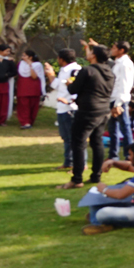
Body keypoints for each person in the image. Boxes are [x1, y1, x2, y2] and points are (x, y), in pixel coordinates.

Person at [57, 45, 114, 189]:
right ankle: (96, 176)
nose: (87, 53)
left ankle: (77, 179)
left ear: (94, 55)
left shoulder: (87, 70)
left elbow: (73, 89)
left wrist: (70, 83)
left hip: (87, 111)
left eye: (90, 51)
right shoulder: (109, 71)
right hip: (103, 110)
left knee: (78, 143)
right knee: (97, 142)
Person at [84, 39, 134, 160]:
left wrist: (118, 103)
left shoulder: (125, 63)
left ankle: (129, 155)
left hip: (119, 100)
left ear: (121, 50)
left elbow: (125, 84)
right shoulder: (118, 62)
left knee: (125, 127)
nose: (112, 50)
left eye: (114, 48)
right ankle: (113, 155)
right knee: (113, 129)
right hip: (112, 98)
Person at [44, 49, 81, 171]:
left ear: (62, 59)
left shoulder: (75, 70)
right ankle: (68, 161)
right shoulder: (64, 70)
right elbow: (56, 85)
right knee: (66, 137)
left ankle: (78, 164)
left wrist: (71, 102)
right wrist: (50, 74)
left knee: (74, 138)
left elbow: (78, 89)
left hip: (70, 108)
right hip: (61, 107)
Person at [15, 50, 45, 130]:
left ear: (30, 57)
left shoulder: (37, 65)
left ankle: (30, 121)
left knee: (33, 105)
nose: (22, 57)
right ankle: (25, 122)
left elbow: (34, 76)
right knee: (23, 105)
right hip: (22, 87)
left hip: (34, 88)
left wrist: (30, 65)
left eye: (24, 56)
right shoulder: (20, 64)